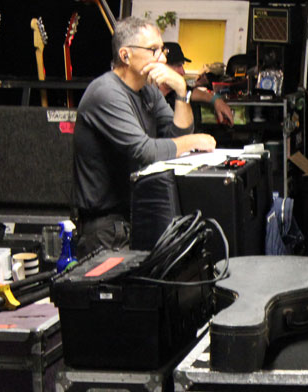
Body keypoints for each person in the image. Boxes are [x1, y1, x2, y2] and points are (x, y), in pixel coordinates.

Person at [73, 18, 216, 255]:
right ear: (125, 55)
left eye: (162, 50)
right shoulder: (106, 92)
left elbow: (176, 134)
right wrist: (194, 141)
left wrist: (181, 91)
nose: (162, 59)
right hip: (107, 229)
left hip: (137, 215)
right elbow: (145, 152)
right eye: (153, 50)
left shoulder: (148, 89)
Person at [160, 42, 234, 126]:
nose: (183, 72)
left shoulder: (175, 91)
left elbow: (193, 92)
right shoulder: (150, 97)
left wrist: (216, 100)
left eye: (182, 65)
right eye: (177, 65)